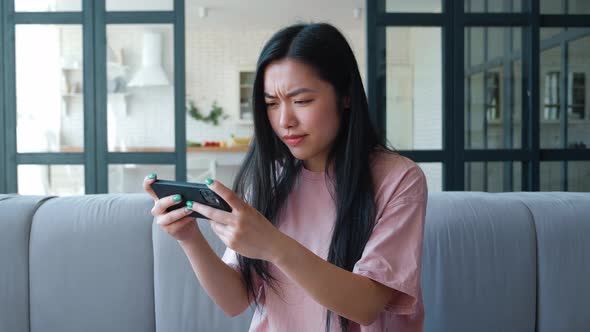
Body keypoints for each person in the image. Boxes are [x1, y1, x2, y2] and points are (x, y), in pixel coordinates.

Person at [144, 22, 427, 332]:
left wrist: (272, 244)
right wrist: (189, 238)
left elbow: (366, 306)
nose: (284, 120)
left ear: (345, 96)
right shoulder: (270, 177)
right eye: (271, 104)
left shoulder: (399, 178)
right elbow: (235, 300)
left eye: (302, 101)